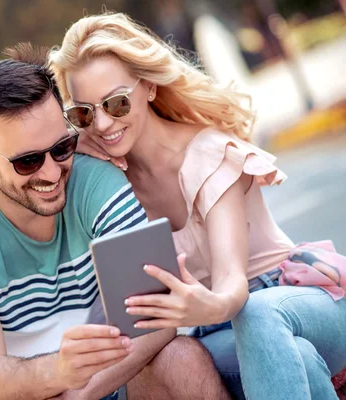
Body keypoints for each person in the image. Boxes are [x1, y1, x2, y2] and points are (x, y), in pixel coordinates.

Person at [48, 11, 346, 400]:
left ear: (149, 88)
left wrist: (208, 304)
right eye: (85, 112)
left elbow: (231, 287)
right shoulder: (108, 182)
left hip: (297, 298)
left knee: (258, 315)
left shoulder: (208, 153)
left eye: (116, 103)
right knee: (294, 360)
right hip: (220, 330)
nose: (102, 124)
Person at [0, 44, 231, 400]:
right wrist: (60, 372)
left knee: (182, 359)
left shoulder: (97, 182)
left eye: (62, 148)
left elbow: (158, 322)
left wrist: (80, 391)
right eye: (28, 161)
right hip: (27, 392)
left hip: (112, 373)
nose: (52, 173)